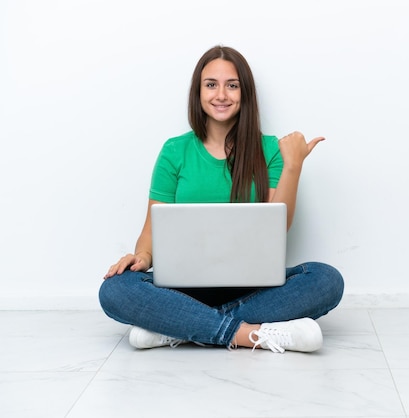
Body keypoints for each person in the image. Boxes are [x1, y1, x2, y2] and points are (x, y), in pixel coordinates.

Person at [99, 45, 344, 354]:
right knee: (115, 288)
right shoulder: (175, 151)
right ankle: (248, 334)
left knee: (326, 280)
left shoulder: (270, 150)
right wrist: (142, 258)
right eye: (211, 84)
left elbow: (278, 225)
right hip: (183, 290)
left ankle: (179, 327)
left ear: (245, 93)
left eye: (232, 85)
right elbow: (150, 233)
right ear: (198, 92)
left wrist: (293, 165)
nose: (221, 94)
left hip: (254, 288)